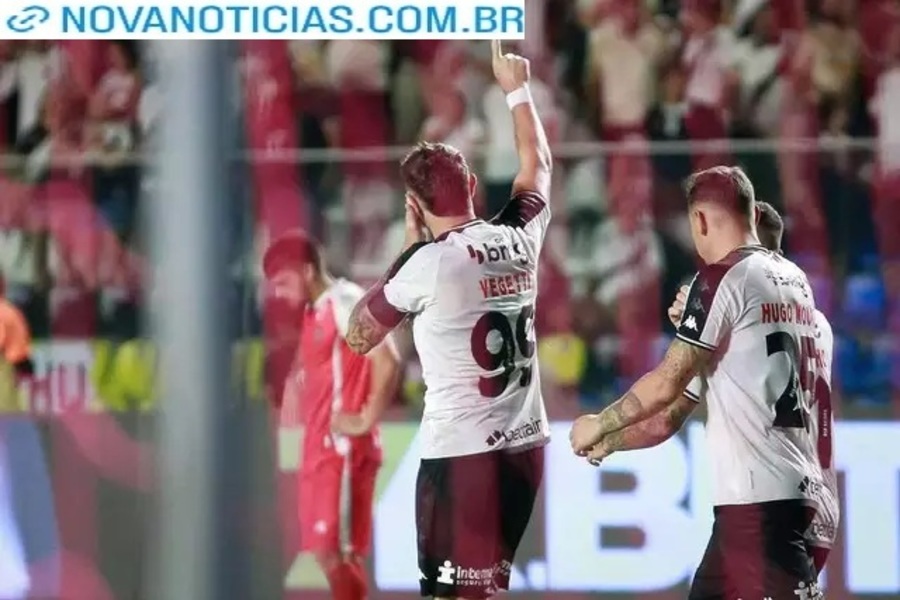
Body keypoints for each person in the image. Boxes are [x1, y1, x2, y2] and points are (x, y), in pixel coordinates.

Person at [342, 40, 552, 600]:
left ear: (414, 205)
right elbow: (538, 167)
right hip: (524, 450)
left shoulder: (427, 264)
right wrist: (517, 92)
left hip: (463, 458)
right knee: (488, 590)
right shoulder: (518, 237)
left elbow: (359, 334)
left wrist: (407, 250)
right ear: (473, 187)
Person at [570, 167, 825, 600]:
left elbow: (665, 383)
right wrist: (613, 442)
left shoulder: (722, 279)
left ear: (700, 220)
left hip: (758, 504)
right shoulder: (795, 281)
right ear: (751, 213)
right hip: (770, 498)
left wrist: (599, 422)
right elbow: (672, 414)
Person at [262, 231, 401, 600]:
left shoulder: (344, 301)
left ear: (306, 271)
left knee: (336, 552)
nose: (278, 293)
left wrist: (365, 419)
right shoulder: (315, 312)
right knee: (327, 553)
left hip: (342, 449)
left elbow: (387, 359)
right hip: (320, 450)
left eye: (283, 282)